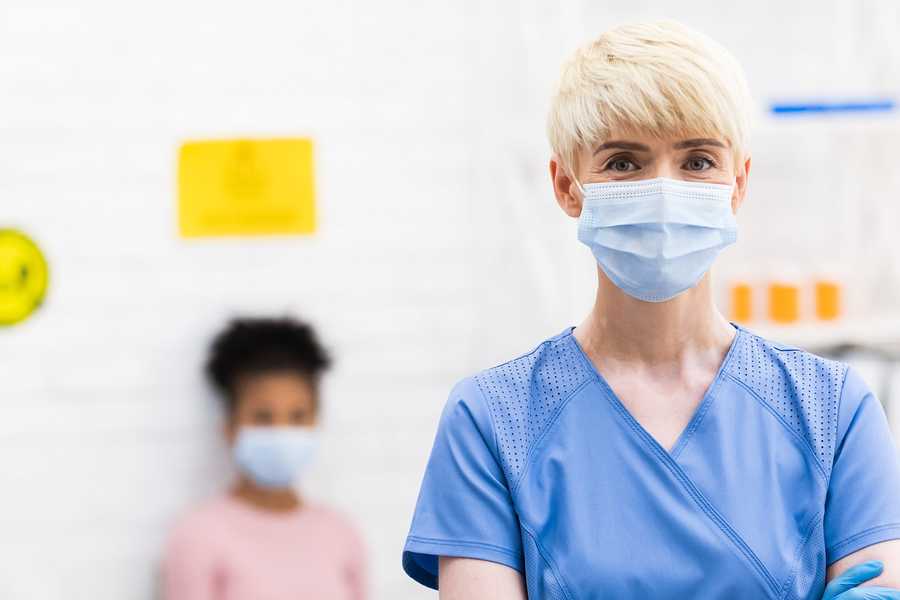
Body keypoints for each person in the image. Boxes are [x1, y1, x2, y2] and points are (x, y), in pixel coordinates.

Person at [401, 20, 900, 600]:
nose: (663, 189)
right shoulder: (492, 421)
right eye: (623, 163)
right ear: (566, 186)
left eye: (696, 162)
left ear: (738, 184)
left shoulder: (832, 410)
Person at [163, 317, 367, 600]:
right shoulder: (197, 535)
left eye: (298, 417)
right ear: (230, 428)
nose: (281, 432)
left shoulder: (341, 533)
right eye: (263, 417)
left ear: (315, 422)